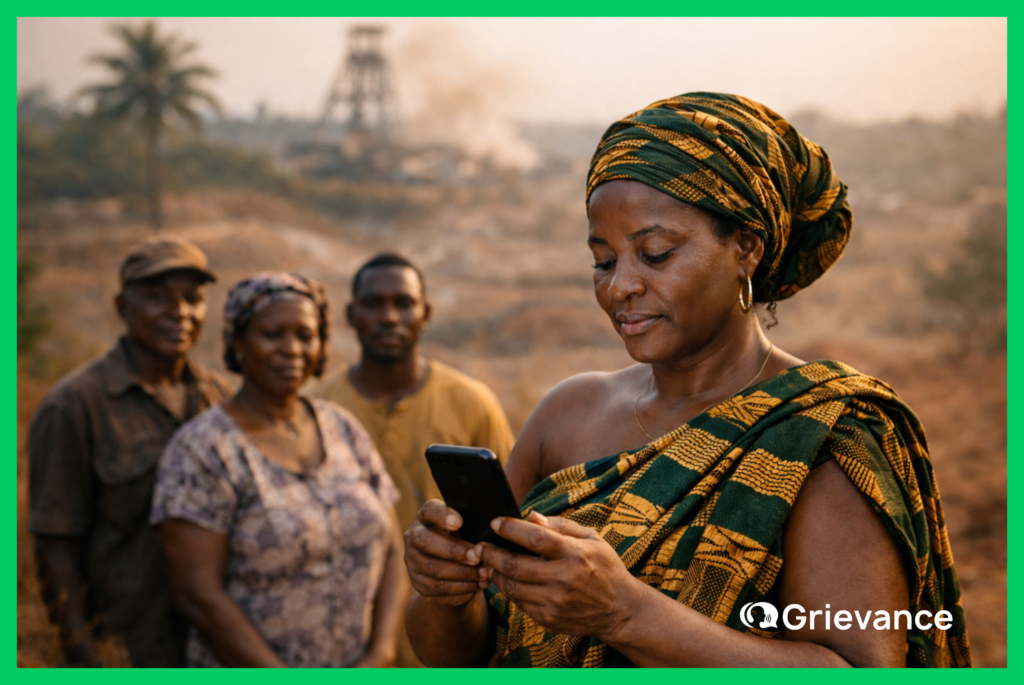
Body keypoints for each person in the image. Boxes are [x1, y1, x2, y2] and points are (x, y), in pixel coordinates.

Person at [402, 93, 972, 668]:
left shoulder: (820, 435)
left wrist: (623, 613)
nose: (619, 286)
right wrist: (445, 592)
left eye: (655, 254)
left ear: (746, 250)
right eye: (603, 261)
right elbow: (458, 656)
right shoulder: (567, 413)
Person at [151, 272, 405, 668]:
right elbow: (197, 595)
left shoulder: (342, 428)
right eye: (272, 334)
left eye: (305, 335)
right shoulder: (204, 450)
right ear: (238, 342)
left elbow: (391, 547)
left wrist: (382, 653)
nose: (291, 349)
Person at [28, 236, 231, 667]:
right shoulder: (75, 406)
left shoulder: (222, 400)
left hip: (216, 650)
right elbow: (55, 546)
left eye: (192, 298)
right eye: (158, 297)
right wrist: (85, 657)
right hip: (129, 651)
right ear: (123, 307)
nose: (179, 312)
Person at [310, 253, 515, 667]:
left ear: (425, 314)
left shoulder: (472, 404)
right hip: (339, 640)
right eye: (373, 304)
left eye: (404, 304)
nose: (389, 317)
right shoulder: (317, 407)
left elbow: (510, 521)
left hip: (452, 632)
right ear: (351, 315)